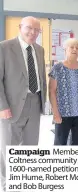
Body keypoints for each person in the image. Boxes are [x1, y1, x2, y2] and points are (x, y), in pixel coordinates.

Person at [0, 16, 47, 192]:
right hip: (11, 106)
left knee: (30, 146)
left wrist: (44, 102)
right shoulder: (4, 47)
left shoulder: (40, 50)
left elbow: (41, 77)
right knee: (8, 148)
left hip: (35, 103)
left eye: (37, 30)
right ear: (20, 27)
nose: (33, 33)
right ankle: (6, 186)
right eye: (29, 28)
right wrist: (2, 105)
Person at [49, 38, 78, 145]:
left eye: (77, 48)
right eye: (72, 47)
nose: (75, 49)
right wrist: (55, 113)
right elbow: (51, 91)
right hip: (63, 113)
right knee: (60, 143)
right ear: (65, 49)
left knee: (77, 143)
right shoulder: (57, 68)